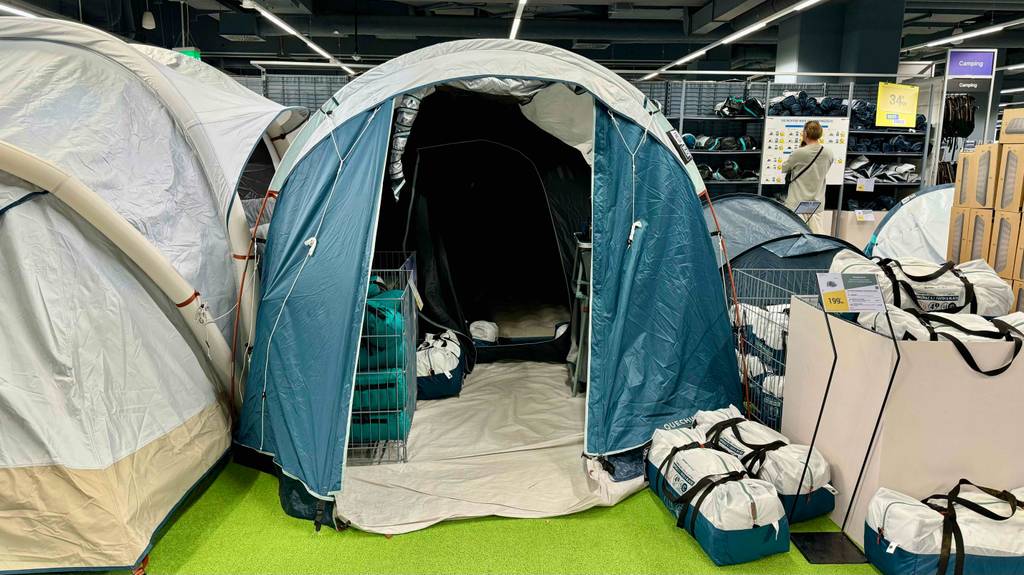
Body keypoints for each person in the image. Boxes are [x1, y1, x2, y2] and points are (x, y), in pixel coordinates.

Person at [781, 120, 835, 234]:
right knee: (816, 235)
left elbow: (784, 168)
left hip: (797, 201)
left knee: (795, 236)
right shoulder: (829, 153)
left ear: (805, 133)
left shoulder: (799, 153)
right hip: (816, 202)